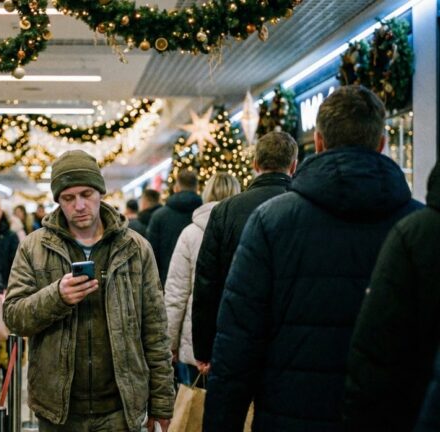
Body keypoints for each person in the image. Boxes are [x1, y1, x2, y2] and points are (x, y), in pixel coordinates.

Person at [203, 86, 422, 431]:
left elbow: (238, 344)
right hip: (391, 414)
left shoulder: (271, 222)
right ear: (381, 144)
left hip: (288, 413)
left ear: (318, 142)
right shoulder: (419, 226)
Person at [3, 150, 174, 432]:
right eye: (68, 198)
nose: (79, 205)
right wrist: (56, 296)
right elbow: (13, 316)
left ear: (100, 193)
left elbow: (155, 329)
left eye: (86, 194)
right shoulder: (34, 247)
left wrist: (162, 402)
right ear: (58, 201)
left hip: (120, 407)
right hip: (58, 408)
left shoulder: (135, 248)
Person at [343, 162, 440, 429]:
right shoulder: (411, 222)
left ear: (318, 142)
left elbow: (375, 349)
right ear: (382, 143)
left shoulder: (415, 232)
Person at [191, 131, 298, 373]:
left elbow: (207, 282)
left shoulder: (225, 211)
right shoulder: (304, 207)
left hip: (236, 336)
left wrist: (204, 349)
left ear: (255, 164)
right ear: (293, 166)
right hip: (291, 339)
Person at [165, 172, 240, 386]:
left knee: (196, 406)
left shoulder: (189, 234)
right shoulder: (247, 226)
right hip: (234, 334)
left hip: (195, 338)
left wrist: (169, 341)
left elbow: (176, 293)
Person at [147, 170, 201, 285]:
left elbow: (151, 255)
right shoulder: (205, 213)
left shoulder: (159, 216)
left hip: (166, 282)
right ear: (197, 188)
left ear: (176, 188)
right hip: (198, 283)